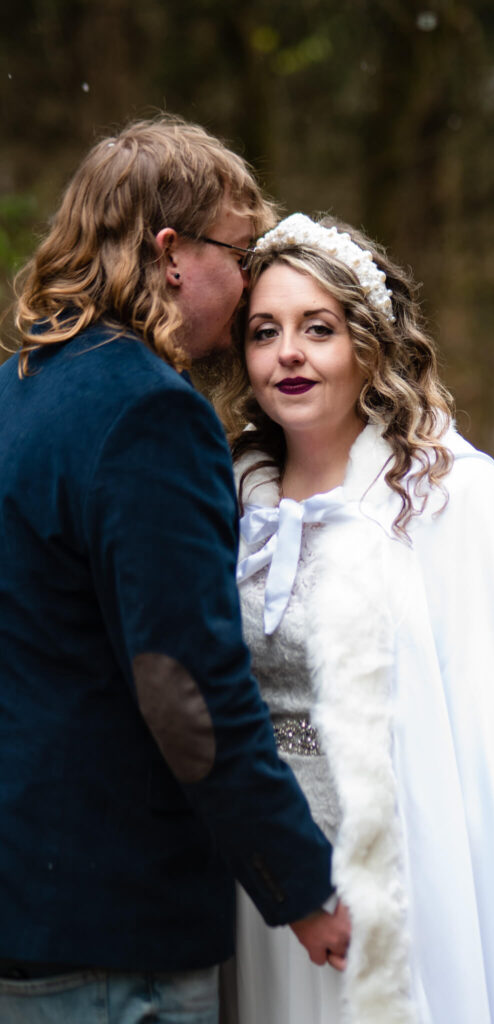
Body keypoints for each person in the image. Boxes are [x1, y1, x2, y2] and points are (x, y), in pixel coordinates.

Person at [208, 212, 494, 1023]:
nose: (289, 354)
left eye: (318, 329)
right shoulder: (230, 503)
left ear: (368, 344)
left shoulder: (451, 499)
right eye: (264, 331)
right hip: (271, 873)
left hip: (416, 865)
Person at [0, 121, 350, 1024]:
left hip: (26, 897)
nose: (246, 289)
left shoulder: (19, 389)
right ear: (171, 254)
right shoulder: (150, 417)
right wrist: (302, 887)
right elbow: (186, 691)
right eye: (240, 254)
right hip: (114, 928)